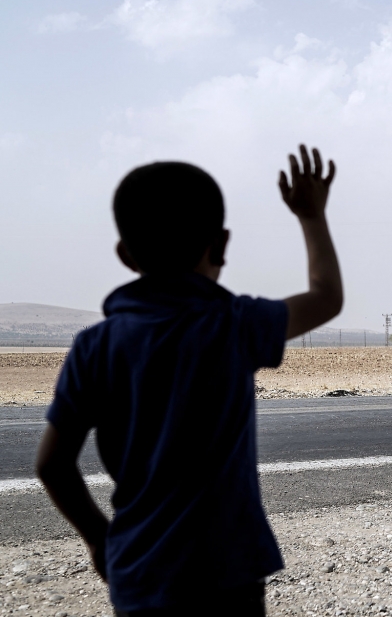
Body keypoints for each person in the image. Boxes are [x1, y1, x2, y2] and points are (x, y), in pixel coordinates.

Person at [35, 145, 343, 616]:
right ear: (220, 245)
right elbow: (325, 297)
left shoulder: (94, 346)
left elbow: (53, 466)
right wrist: (311, 216)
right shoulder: (233, 324)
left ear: (124, 253)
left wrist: (100, 540)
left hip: (139, 571)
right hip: (228, 572)